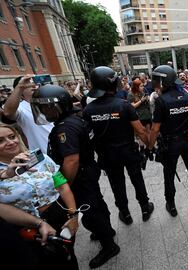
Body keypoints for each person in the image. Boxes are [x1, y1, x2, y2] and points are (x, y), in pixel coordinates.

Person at [31, 84, 120, 268]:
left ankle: (109, 246)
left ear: (58, 105)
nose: (44, 111)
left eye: (46, 107)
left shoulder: (65, 128)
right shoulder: (76, 118)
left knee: (90, 212)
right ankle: (106, 231)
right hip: (88, 172)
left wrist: (63, 186)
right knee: (97, 204)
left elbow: (71, 161)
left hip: (79, 177)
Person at [0, 123, 79, 269]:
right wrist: (5, 175)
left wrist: (73, 215)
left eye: (12, 137)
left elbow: (62, 185)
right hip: (25, 227)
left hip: (58, 215)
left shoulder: (39, 157)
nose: (10, 142)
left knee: (68, 256)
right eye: (1, 141)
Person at [83, 66, 154, 225]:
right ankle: (144, 208)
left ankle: (125, 213)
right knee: (137, 179)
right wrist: (149, 147)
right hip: (128, 151)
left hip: (107, 155)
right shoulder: (124, 105)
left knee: (117, 185)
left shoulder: (88, 110)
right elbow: (141, 131)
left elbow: (88, 138)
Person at [148, 65, 188, 217]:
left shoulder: (161, 101)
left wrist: (150, 146)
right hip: (187, 140)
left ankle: (171, 205)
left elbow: (155, 128)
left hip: (170, 144)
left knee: (169, 175)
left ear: (163, 82)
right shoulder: (186, 96)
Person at [2, 75, 53, 154]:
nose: (33, 86)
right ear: (19, 91)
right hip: (46, 155)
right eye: (27, 85)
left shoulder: (50, 102)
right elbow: (8, 113)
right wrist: (20, 86)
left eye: (34, 83)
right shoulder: (20, 108)